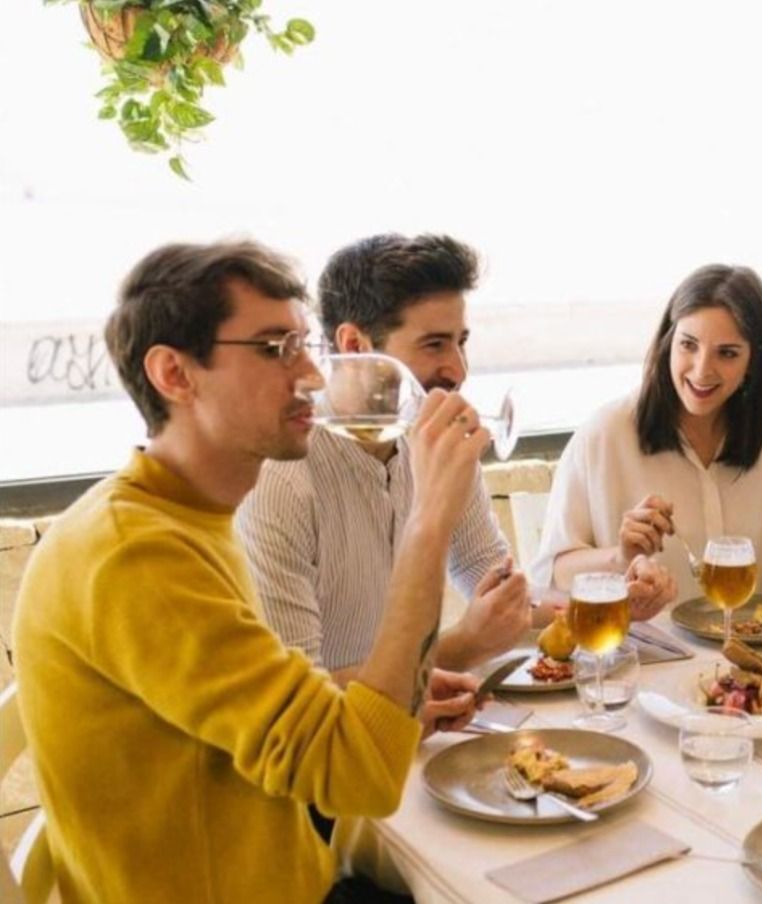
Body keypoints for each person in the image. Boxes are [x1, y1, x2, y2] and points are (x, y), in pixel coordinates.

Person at [11, 241, 487, 902]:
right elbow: (360, 774)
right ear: (174, 374)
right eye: (272, 349)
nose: (314, 378)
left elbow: (299, 722)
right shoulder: (134, 556)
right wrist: (430, 519)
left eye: (302, 346)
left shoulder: (191, 514)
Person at [236, 235, 675, 732]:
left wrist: (609, 603)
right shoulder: (278, 479)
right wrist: (462, 646)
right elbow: (293, 700)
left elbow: (505, 596)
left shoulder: (441, 445)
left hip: (411, 737)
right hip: (320, 768)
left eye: (460, 342)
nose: (459, 370)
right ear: (355, 346)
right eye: (434, 345)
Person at [534, 264, 762, 616]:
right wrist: (621, 558)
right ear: (668, 342)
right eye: (688, 345)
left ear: (753, 360)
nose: (701, 370)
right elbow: (555, 574)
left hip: (744, 657)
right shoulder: (605, 434)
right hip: (642, 658)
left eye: (727, 353)